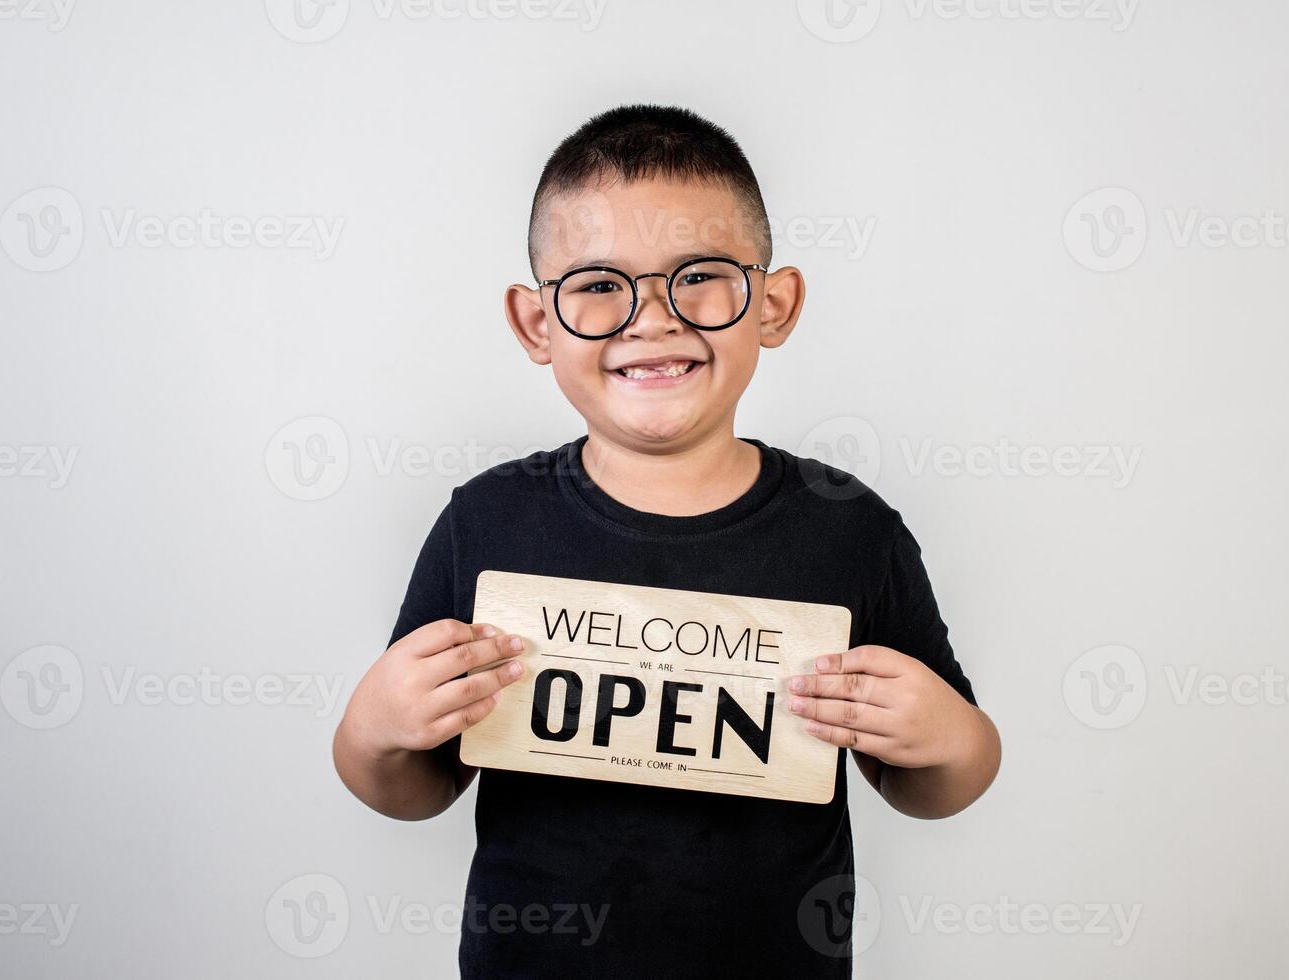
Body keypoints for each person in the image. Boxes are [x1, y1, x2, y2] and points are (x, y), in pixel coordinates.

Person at [333, 104, 1002, 977]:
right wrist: (373, 728)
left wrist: (950, 740)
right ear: (537, 323)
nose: (651, 319)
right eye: (599, 285)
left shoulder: (849, 529)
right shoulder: (487, 522)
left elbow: (938, 783)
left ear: (774, 303)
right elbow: (413, 788)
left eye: (699, 275)